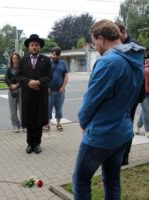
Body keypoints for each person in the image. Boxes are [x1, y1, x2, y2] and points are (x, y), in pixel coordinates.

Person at [73, 20, 145, 200]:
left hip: (101, 134)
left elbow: (90, 101)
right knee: (112, 180)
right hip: (122, 131)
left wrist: (83, 122)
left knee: (81, 180)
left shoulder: (108, 62)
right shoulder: (136, 59)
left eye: (94, 42)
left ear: (101, 38)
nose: (95, 47)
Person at [115, 21, 146, 166]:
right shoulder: (122, 44)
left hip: (131, 94)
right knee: (123, 124)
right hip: (127, 93)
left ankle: (124, 157)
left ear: (122, 31)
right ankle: (120, 155)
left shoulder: (133, 46)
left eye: (116, 34)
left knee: (127, 125)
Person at [17, 34, 52, 154]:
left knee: (39, 120)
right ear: (29, 47)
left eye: (36, 45)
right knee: (29, 119)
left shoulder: (46, 60)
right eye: (32, 45)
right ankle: (29, 144)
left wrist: (38, 82)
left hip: (40, 94)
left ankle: (37, 144)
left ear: (40, 47)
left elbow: (49, 76)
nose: (34, 47)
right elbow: (19, 76)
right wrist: (29, 82)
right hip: (27, 95)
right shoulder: (23, 60)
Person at [44, 47, 69, 132]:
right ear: (51, 54)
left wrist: (63, 87)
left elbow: (66, 76)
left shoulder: (63, 63)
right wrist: (46, 86)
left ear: (59, 55)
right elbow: (44, 77)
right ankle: (47, 125)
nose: (55, 56)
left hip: (60, 91)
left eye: (57, 55)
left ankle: (58, 124)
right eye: (54, 54)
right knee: (48, 109)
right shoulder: (47, 64)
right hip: (49, 91)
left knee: (59, 109)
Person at [5, 52, 22, 133]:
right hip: (11, 90)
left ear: (19, 59)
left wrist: (17, 85)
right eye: (13, 58)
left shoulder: (22, 69)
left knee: (22, 109)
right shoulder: (9, 69)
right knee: (13, 109)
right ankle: (15, 126)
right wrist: (11, 85)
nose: (15, 60)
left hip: (21, 89)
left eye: (16, 58)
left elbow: (24, 79)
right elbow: (6, 79)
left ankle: (23, 125)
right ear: (11, 59)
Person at [135, 58, 149, 138]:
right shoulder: (144, 69)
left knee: (145, 111)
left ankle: (138, 126)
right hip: (144, 93)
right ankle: (147, 130)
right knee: (146, 111)